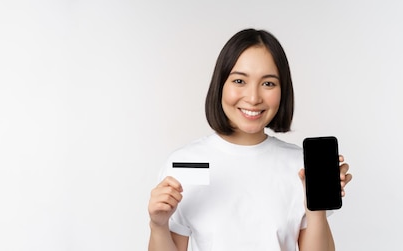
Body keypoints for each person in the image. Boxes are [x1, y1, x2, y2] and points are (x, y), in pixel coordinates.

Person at [147, 28, 353, 251]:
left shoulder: (301, 167)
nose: (254, 98)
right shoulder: (184, 162)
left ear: (283, 91)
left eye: (268, 84)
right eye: (239, 81)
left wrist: (316, 207)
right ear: (220, 85)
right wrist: (159, 225)